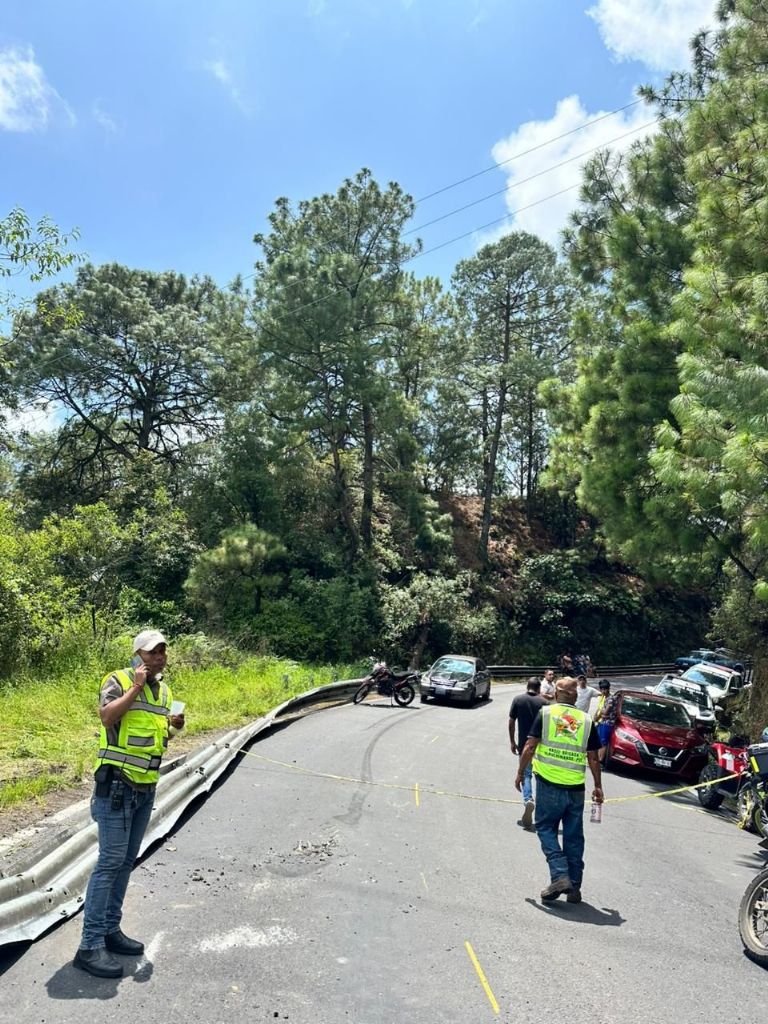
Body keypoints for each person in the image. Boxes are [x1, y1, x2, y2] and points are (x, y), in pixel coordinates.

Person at [73, 630, 185, 979]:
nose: (158, 657)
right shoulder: (118, 680)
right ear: (137, 654)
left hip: (145, 788)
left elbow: (155, 736)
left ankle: (110, 930)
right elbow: (107, 718)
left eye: (163, 651)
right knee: (109, 863)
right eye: (152, 652)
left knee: (124, 862)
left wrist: (174, 727)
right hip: (117, 787)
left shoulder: (164, 691)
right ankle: (89, 946)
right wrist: (135, 687)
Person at [515, 677, 603, 903]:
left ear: (555, 694)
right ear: (575, 696)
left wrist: (520, 772)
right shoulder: (586, 720)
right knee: (574, 837)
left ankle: (560, 875)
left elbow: (530, 746)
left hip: (548, 784)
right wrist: (598, 786)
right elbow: (594, 758)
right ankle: (574, 887)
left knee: (545, 828)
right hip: (576, 789)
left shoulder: (546, 714)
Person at [509, 677, 546, 831]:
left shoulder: (518, 700)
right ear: (538, 689)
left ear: (527, 686)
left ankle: (528, 799)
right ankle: (543, 810)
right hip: (541, 746)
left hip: (524, 744)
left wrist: (512, 741)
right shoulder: (544, 703)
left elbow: (511, 722)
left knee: (526, 774)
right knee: (542, 777)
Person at [594, 679, 618, 764]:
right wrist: (601, 714)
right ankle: (597, 758)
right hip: (603, 721)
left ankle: (600, 760)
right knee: (598, 740)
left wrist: (602, 713)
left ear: (608, 689)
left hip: (607, 723)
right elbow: (602, 712)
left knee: (603, 742)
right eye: (602, 689)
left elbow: (605, 711)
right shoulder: (604, 698)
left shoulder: (611, 698)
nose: (604, 691)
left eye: (605, 689)